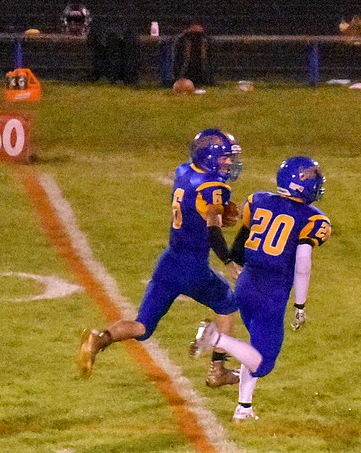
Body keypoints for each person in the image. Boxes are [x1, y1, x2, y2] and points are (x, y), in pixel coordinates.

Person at [78, 129, 244, 384]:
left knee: (142, 327)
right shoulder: (214, 187)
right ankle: (217, 372)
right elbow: (212, 227)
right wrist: (228, 259)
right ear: (210, 159)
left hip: (169, 262)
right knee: (228, 305)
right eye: (224, 158)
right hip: (193, 267)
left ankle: (99, 339)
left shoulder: (183, 172)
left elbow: (197, 212)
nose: (229, 163)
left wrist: (219, 215)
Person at [198, 156, 332, 421]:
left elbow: (243, 239)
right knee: (263, 362)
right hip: (271, 291)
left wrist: (233, 262)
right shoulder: (312, 218)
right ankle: (214, 338)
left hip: (247, 282)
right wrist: (300, 305)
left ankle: (243, 408)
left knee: (254, 348)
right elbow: (302, 264)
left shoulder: (258, 201)